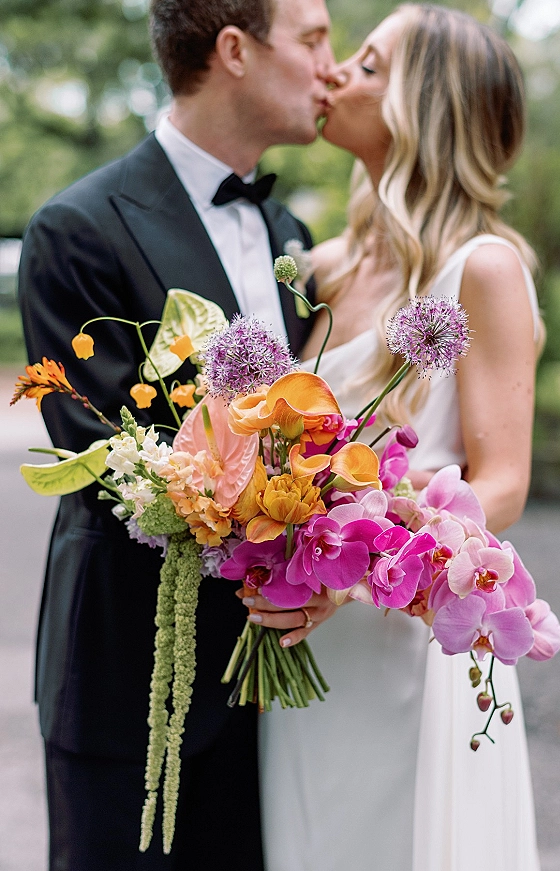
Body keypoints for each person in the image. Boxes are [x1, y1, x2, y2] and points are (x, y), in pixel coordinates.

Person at [17, 1, 334, 868]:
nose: (331, 69)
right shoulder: (77, 228)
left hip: (268, 688)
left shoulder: (290, 238)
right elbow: (107, 459)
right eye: (313, 40)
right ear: (235, 50)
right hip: (129, 681)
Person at [249, 6, 544, 870]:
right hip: (309, 638)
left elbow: (505, 484)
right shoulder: (322, 267)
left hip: (407, 642)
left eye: (370, 66)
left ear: (426, 107)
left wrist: (365, 561)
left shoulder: (481, 268)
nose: (337, 72)